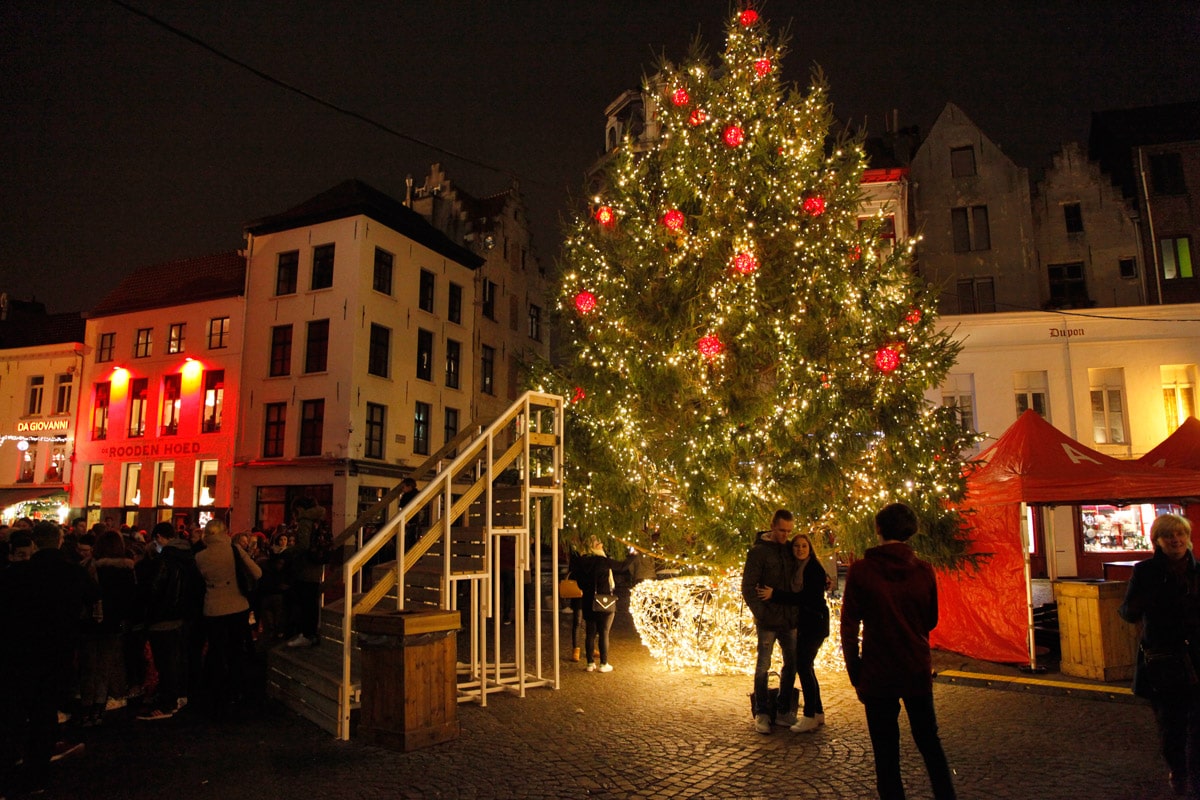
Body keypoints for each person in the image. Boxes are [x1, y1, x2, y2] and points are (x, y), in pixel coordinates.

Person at [842, 502, 956, 800]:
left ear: (878, 529)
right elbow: (931, 619)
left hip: (878, 671)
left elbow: (849, 628)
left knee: (885, 752)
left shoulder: (861, 571)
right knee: (929, 743)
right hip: (915, 667)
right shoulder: (924, 570)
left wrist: (856, 673)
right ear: (910, 531)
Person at [0, 521, 99, 796]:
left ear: (34, 544)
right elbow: (94, 599)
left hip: (20, 651)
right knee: (44, 713)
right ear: (59, 541)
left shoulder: (16, 573)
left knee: (14, 713)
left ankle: (8, 768)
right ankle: (36, 775)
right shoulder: (73, 573)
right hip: (57, 651)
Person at [1119, 514, 1200, 797]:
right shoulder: (1145, 572)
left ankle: (1195, 780)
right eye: (1168, 536)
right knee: (1171, 726)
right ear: (1157, 541)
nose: (1176, 540)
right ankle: (1178, 771)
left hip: (1198, 658)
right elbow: (1128, 612)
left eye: (1180, 534)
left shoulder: (1198, 571)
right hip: (1164, 662)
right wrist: (1146, 598)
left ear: (1188, 537)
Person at [757, 531, 830, 733]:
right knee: (807, 667)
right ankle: (818, 712)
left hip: (814, 624)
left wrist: (775, 594)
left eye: (804, 546)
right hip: (807, 623)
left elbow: (805, 598)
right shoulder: (798, 567)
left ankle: (809, 715)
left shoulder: (812, 568)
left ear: (810, 548)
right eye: (796, 546)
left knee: (803, 666)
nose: (800, 549)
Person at [136, 521, 204, 721]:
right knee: (177, 658)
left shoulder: (165, 560)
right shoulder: (188, 556)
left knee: (165, 661)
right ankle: (179, 696)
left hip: (164, 616)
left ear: (158, 537)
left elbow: (154, 590)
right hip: (183, 616)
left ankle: (168, 702)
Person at [194, 518, 261, 718]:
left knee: (217, 649)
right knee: (236, 649)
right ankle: (237, 688)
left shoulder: (200, 556)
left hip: (213, 606)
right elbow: (257, 573)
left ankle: (216, 690)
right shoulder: (234, 550)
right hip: (237, 604)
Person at [741, 509, 799, 733]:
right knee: (763, 665)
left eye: (789, 531)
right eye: (782, 530)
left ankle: (784, 710)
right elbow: (748, 587)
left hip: (789, 618)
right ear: (772, 526)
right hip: (768, 619)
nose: (785, 535)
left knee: (791, 663)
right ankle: (762, 712)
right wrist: (762, 613)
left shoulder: (790, 549)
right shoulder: (759, 552)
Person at [573, 536, 624, 673]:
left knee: (590, 633)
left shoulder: (581, 561)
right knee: (604, 632)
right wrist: (634, 554)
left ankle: (590, 663)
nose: (602, 544)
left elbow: (579, 582)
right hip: (604, 601)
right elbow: (622, 566)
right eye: (599, 542)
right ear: (594, 546)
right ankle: (603, 663)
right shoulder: (602, 560)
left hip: (588, 600)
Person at [286, 496, 326, 648]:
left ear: (300, 509)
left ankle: (306, 634)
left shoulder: (305, 521)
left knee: (305, 603)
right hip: (316, 567)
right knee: (312, 603)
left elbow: (303, 545)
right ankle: (312, 634)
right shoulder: (319, 519)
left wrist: (288, 551)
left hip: (305, 568)